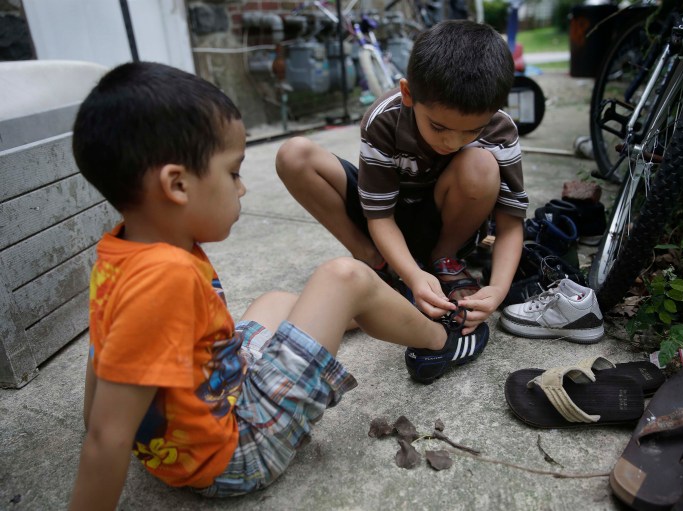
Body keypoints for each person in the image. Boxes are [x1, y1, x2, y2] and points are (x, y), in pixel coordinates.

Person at [68, 61, 489, 508]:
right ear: (177, 184)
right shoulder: (162, 280)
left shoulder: (121, 254)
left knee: (276, 300)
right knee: (343, 277)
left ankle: (369, 309)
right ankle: (441, 340)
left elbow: (104, 357)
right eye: (232, 173)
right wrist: (109, 430)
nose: (242, 189)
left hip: (207, 408)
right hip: (235, 452)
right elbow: (106, 438)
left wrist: (111, 420)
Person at [276, 20, 527, 335]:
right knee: (294, 155)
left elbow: (510, 224)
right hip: (385, 218)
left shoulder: (500, 130)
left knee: (481, 165)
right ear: (408, 93)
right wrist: (411, 275)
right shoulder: (384, 119)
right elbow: (379, 216)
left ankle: (444, 260)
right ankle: (376, 262)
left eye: (472, 130)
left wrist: (498, 289)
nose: (452, 142)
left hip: (445, 221)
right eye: (438, 126)